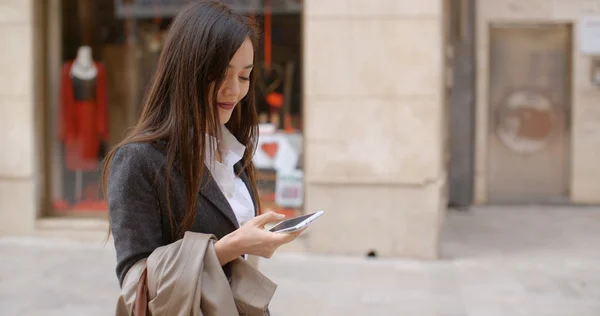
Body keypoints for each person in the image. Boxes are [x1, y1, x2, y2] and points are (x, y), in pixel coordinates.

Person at [102, 0, 303, 311]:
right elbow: (137, 285)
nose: (234, 90)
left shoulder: (234, 151)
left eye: (245, 76)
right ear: (186, 70)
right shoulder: (137, 161)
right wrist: (229, 247)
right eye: (221, 74)